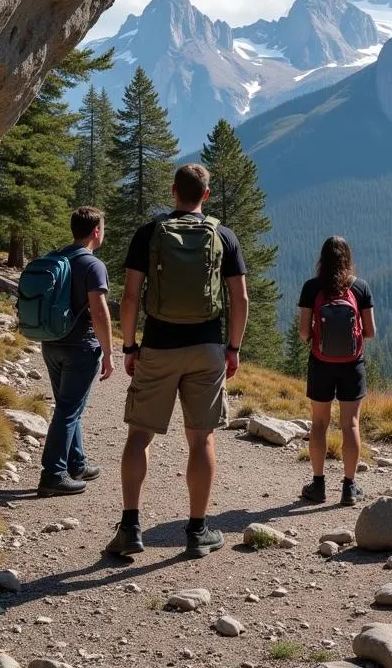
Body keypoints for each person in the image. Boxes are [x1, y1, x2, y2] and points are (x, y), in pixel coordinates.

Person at [106, 163, 248, 558]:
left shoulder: (149, 233)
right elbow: (241, 299)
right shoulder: (223, 235)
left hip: (158, 346)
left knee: (139, 435)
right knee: (201, 438)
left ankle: (131, 528)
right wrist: (232, 348)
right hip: (206, 347)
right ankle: (198, 530)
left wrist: (130, 346)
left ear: (173, 192)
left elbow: (131, 297)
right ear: (206, 195)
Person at [37, 206, 114, 498]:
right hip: (80, 347)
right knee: (69, 409)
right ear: (96, 231)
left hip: (51, 344)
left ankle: (76, 464)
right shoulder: (93, 265)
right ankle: (52, 475)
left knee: (69, 405)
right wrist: (108, 351)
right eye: (102, 228)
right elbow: (99, 310)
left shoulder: (58, 258)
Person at [298, 236, 376, 507]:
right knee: (350, 425)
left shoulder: (311, 287)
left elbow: (304, 333)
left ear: (322, 259)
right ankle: (349, 487)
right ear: (348, 258)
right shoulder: (361, 288)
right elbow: (371, 332)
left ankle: (318, 486)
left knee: (319, 424)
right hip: (352, 365)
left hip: (320, 364)